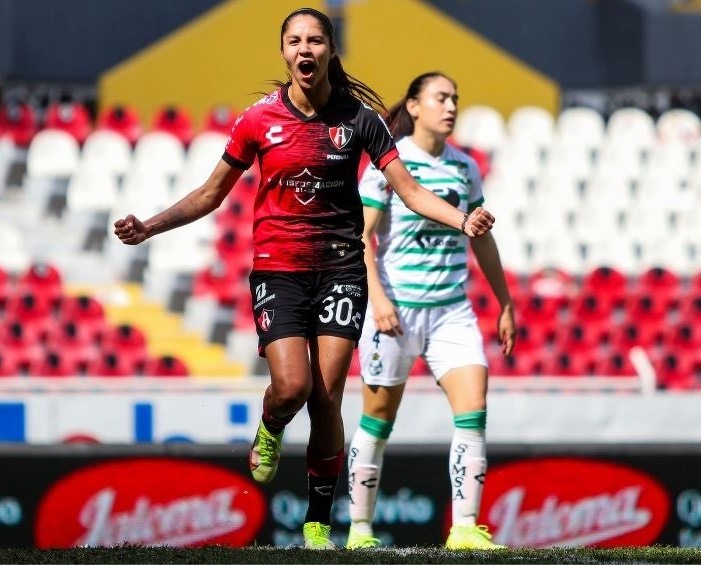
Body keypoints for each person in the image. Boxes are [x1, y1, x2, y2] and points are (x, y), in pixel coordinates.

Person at [113, 10, 495, 550]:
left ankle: (318, 523)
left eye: (315, 39)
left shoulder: (359, 119)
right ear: (284, 53)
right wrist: (148, 226)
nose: (305, 48)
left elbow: (408, 191)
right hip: (279, 271)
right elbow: (209, 193)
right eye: (295, 40)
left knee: (327, 396)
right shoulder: (258, 120)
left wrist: (463, 219)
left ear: (330, 50)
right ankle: (271, 426)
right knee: (292, 387)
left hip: (340, 270)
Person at [345, 72, 516, 550]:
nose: (451, 106)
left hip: (450, 312)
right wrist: (376, 299)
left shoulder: (464, 167)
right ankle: (359, 531)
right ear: (415, 107)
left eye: (456, 99)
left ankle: (463, 528)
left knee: (474, 409)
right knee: (377, 421)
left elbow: (482, 237)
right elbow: (362, 237)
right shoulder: (388, 164)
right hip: (395, 310)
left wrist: (505, 302)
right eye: (440, 98)